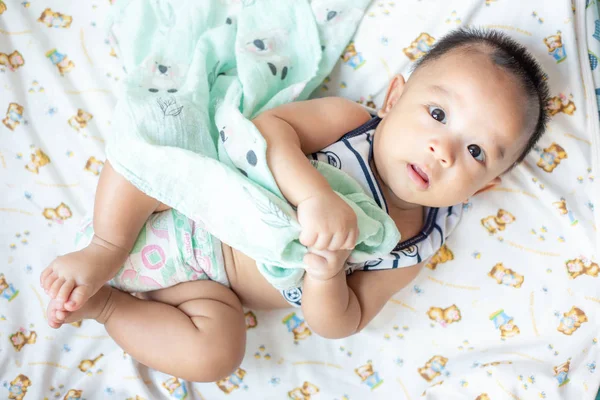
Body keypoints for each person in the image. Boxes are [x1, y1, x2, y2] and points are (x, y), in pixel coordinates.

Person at [39, 28, 550, 382]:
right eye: (437, 113)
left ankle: (106, 306)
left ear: (483, 187)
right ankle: (105, 246)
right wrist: (314, 194)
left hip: (209, 292)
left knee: (218, 353)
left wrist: (327, 274)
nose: (444, 150)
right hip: (194, 201)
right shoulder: (352, 123)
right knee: (155, 149)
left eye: (477, 152)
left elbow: (343, 321)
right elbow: (270, 131)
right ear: (394, 97)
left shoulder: (413, 244)